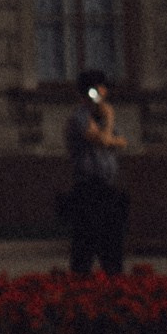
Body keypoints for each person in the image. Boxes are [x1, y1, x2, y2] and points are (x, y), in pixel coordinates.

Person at [64, 69, 129, 276]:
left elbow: (121, 142)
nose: (103, 92)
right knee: (85, 244)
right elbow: (101, 140)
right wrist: (109, 121)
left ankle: (113, 280)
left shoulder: (99, 117)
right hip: (88, 188)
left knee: (112, 244)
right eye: (99, 88)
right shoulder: (80, 116)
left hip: (107, 186)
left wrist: (107, 133)